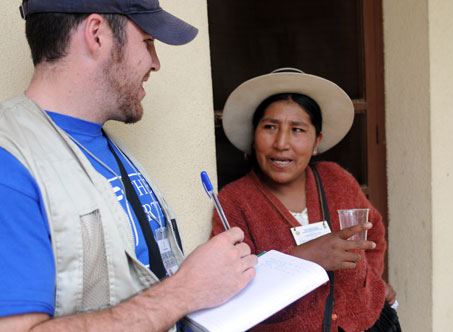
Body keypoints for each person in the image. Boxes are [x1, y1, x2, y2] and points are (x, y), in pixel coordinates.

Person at [0, 1, 258, 331]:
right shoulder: (10, 161)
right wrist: (184, 292)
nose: (156, 62)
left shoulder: (107, 145)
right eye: (148, 41)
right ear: (97, 35)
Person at [212, 68, 400, 332]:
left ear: (316, 142)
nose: (281, 143)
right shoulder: (234, 201)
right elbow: (233, 284)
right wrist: (303, 257)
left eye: (297, 129)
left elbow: (374, 235)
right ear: (254, 138)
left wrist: (369, 284)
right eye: (270, 127)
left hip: (366, 324)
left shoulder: (337, 180)